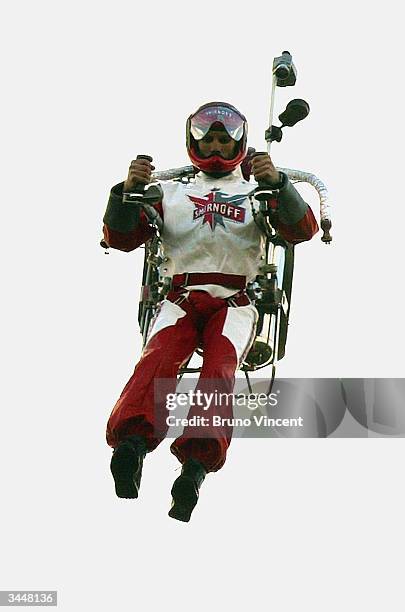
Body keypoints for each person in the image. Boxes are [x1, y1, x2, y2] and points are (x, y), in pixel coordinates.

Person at [102, 101, 319, 522]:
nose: (217, 147)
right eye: (209, 139)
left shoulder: (257, 191)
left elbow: (301, 230)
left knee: (219, 370)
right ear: (193, 143)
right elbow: (123, 238)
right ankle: (131, 446)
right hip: (181, 296)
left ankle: (195, 466)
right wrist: (125, 194)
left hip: (234, 301)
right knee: (158, 360)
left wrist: (280, 186)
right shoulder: (167, 192)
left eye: (224, 139)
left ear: (238, 142)